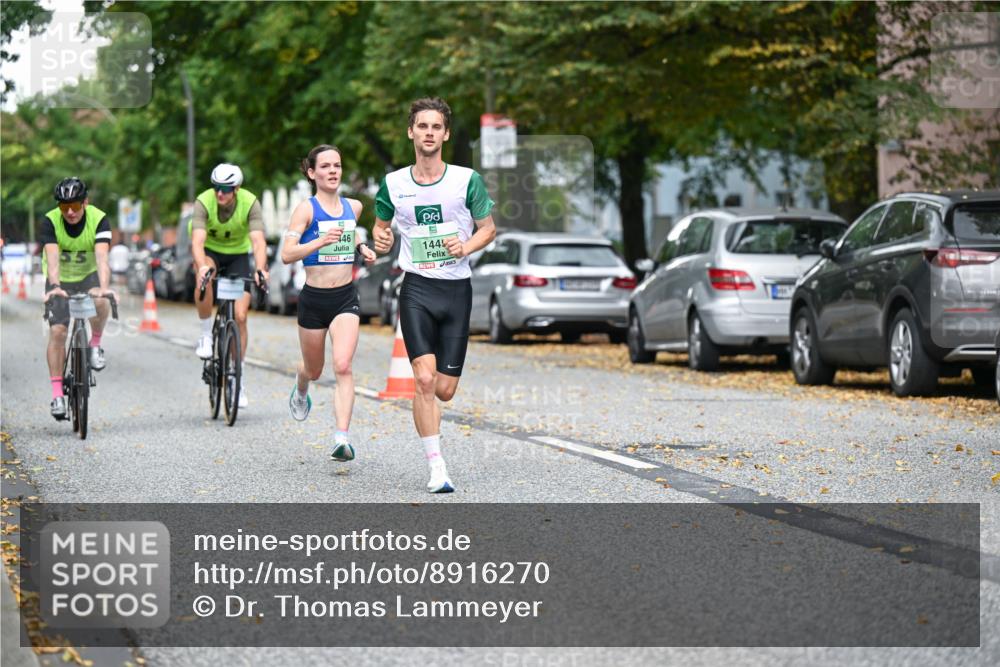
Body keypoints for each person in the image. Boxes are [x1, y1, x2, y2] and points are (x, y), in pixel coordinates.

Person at [372, 98, 496, 493]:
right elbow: (380, 231)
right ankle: (437, 467)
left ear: (445, 134)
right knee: (423, 380)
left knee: (444, 388)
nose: (428, 133)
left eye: (435, 127)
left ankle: (436, 449)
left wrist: (466, 247)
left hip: (456, 290)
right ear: (411, 132)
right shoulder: (393, 184)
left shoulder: (466, 179)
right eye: (422, 126)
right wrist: (382, 237)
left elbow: (488, 228)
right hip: (417, 288)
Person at [281, 145, 376, 461]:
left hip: (344, 297)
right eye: (325, 166)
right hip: (313, 299)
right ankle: (302, 385)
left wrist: (363, 249)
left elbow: (350, 236)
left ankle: (341, 438)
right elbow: (286, 254)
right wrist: (320, 240)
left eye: (337, 165)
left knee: (343, 365)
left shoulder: (354, 206)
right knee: (314, 368)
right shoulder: (305, 210)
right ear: (312, 173)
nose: (333, 171)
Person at [191, 163, 269, 408]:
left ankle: (238, 379)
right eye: (216, 188)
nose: (219, 193)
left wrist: (260, 268)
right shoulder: (204, 202)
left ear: (236, 188)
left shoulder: (250, 203)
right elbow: (197, 241)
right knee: (204, 278)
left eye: (225, 189)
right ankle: (206, 335)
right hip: (211, 252)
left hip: (237, 256)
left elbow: (258, 241)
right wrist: (202, 265)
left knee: (241, 315)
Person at [41, 177, 116, 420]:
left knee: (102, 300)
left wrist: (103, 287)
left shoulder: (99, 219)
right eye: (64, 207)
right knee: (58, 333)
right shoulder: (50, 221)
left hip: (89, 275)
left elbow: (103, 259)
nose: (70, 212)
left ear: (86, 202)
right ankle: (57, 395)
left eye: (75, 205)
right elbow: (52, 259)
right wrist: (55, 286)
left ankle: (94, 344)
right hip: (60, 281)